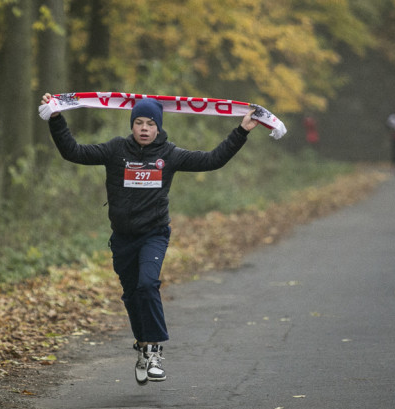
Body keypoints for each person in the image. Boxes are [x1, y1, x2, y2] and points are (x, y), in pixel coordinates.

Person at [41, 93, 258, 385]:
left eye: (150, 123)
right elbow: (74, 152)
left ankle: (155, 351)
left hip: (154, 234)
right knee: (132, 295)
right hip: (123, 238)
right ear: (132, 125)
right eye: (139, 122)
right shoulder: (116, 150)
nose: (144, 128)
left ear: (158, 127)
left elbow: (212, 160)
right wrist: (56, 118)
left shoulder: (169, 154)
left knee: (147, 284)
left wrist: (241, 131)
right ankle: (142, 347)